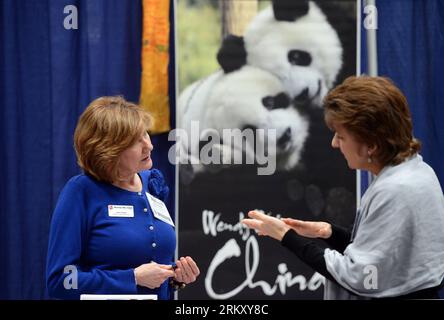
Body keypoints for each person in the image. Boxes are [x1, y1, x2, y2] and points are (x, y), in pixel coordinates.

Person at [242, 76, 444, 299]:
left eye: (341, 136)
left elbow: (361, 276)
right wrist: (329, 233)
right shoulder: (417, 171)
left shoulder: (396, 189)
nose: (335, 143)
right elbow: (387, 255)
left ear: (371, 145)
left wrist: (286, 236)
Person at [46, 96, 200, 300]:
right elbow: (61, 281)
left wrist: (174, 277)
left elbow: (152, 270)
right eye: (136, 140)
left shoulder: (153, 184)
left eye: (145, 133)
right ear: (109, 150)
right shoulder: (81, 192)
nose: (149, 145)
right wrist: (131, 278)